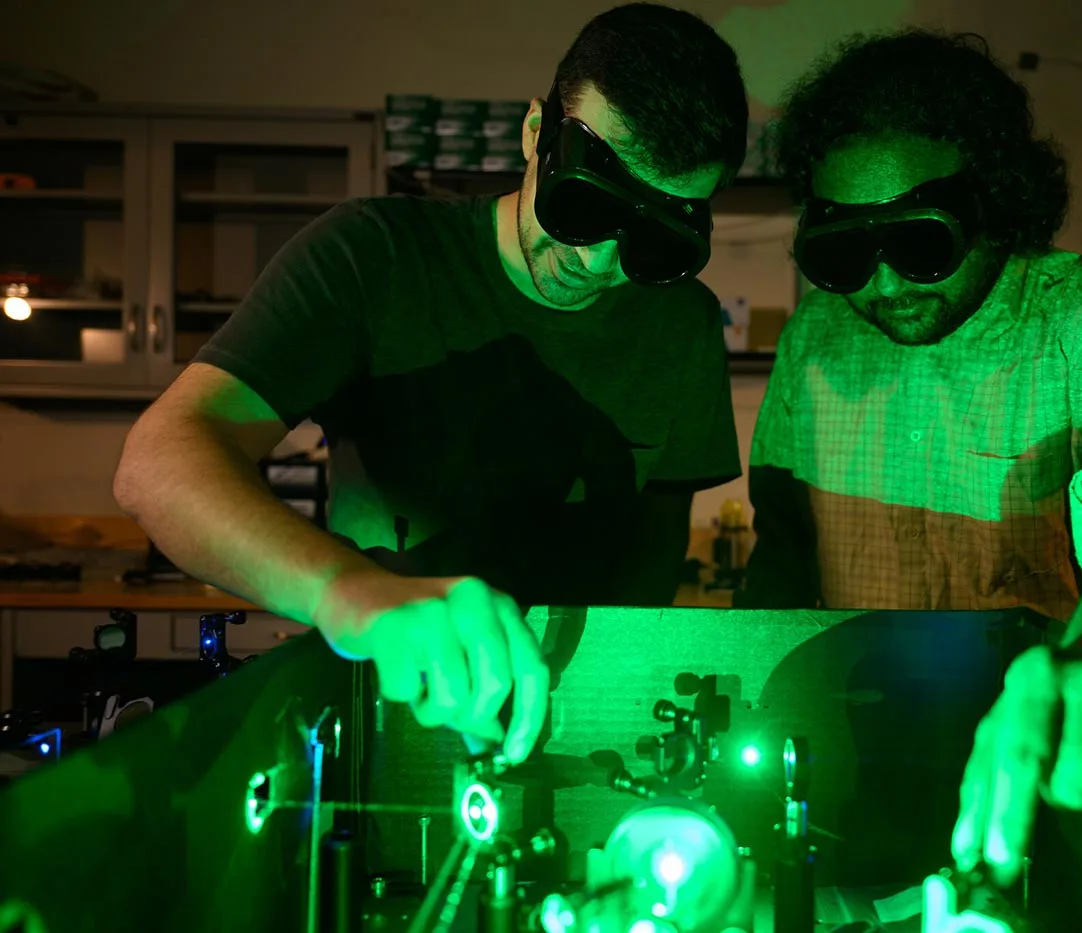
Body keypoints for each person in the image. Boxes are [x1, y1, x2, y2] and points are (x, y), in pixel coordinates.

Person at [113, 3, 749, 765]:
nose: (599, 264)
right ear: (534, 133)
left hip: (581, 736)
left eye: (652, 242)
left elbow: (652, 555)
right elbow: (158, 460)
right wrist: (345, 592)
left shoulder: (682, 322)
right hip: (383, 723)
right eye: (584, 207)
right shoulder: (372, 258)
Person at [740, 29, 1082, 885]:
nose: (883, 285)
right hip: (853, 798)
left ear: (998, 200)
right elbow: (780, 557)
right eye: (845, 252)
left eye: (918, 244)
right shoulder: (815, 341)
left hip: (1047, 802)